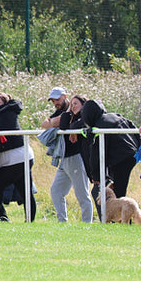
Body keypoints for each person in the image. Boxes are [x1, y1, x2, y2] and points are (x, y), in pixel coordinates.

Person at [72, 97, 141, 214]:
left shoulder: (98, 128)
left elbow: (96, 155)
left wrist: (96, 176)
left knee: (118, 193)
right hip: (132, 155)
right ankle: (120, 220)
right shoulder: (115, 116)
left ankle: (120, 220)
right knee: (117, 190)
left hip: (120, 160)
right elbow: (133, 127)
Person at [0, 93, 35, 222]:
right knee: (23, 190)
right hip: (17, 157)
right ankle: (29, 221)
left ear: (5, 103)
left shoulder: (8, 114)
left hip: (18, 157)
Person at [41, 89, 93, 223]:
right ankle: (62, 222)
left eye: (57, 99)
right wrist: (59, 120)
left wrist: (60, 123)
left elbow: (65, 125)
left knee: (82, 194)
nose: (55, 103)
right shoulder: (64, 113)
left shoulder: (82, 114)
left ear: (65, 97)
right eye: (53, 101)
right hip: (65, 158)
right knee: (56, 191)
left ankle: (88, 224)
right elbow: (46, 124)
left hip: (76, 157)